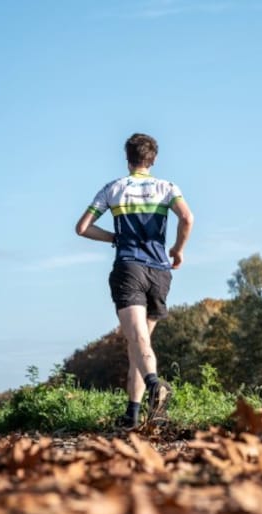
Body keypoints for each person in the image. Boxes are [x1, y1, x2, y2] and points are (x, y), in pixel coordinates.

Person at [75, 133, 194, 428]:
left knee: (137, 339)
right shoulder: (167, 187)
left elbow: (82, 228)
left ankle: (155, 385)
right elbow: (187, 218)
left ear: (127, 157)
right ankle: (133, 414)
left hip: (130, 268)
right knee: (139, 345)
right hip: (160, 271)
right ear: (153, 159)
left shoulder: (113, 188)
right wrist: (177, 250)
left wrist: (115, 237)